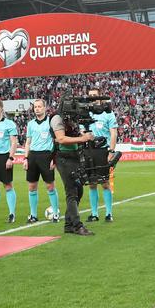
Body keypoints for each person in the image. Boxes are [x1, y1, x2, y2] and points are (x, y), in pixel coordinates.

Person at [50, 101, 95, 236]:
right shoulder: (57, 118)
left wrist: (84, 136)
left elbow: (74, 134)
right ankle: (77, 225)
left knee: (78, 190)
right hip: (63, 158)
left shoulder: (71, 118)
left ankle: (69, 225)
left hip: (73, 156)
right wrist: (82, 139)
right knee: (72, 191)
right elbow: (61, 139)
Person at [22, 98, 59, 224]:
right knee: (32, 187)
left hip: (46, 156)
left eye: (39, 106)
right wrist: (26, 158)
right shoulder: (31, 124)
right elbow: (28, 142)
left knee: (50, 186)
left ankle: (55, 212)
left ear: (45, 108)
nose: (37, 109)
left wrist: (54, 158)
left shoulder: (50, 122)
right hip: (33, 156)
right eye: (35, 107)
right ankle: (33, 215)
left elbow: (56, 141)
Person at [86, 87, 120, 222]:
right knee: (92, 183)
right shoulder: (86, 114)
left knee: (105, 183)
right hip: (89, 151)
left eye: (95, 95)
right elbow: (83, 133)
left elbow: (114, 133)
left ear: (100, 97)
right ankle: (94, 214)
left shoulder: (108, 114)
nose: (93, 98)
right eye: (90, 96)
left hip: (103, 151)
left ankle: (108, 213)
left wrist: (111, 151)